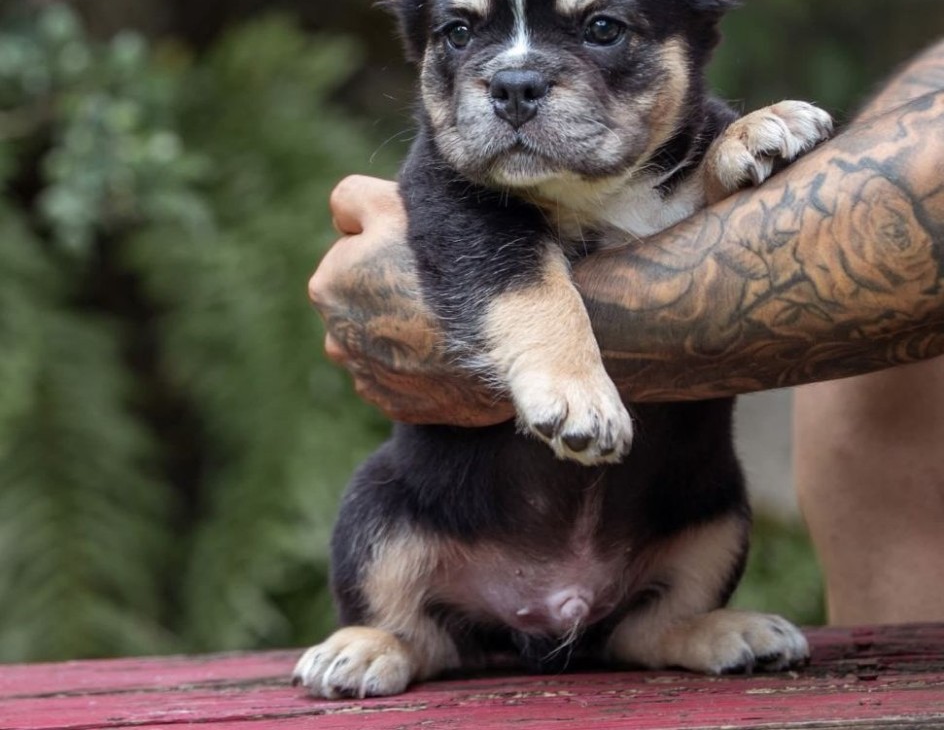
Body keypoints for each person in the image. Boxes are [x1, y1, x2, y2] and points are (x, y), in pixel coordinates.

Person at [309, 40, 944, 626]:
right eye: (458, 30)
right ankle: (396, 633)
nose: (516, 73)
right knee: (381, 502)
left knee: (715, 517)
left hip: (657, 536)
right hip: (458, 538)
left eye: (603, 27)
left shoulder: (690, 136)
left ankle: (664, 630)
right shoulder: (465, 179)